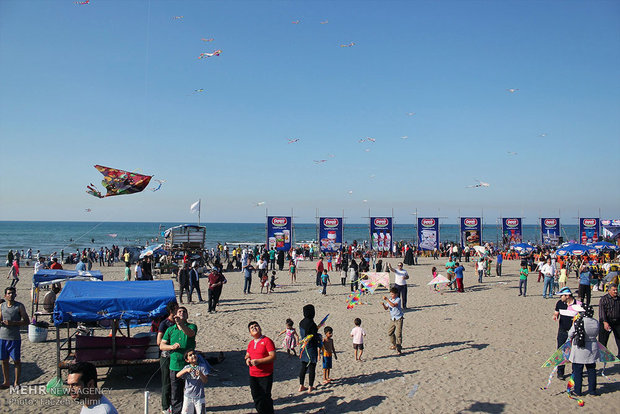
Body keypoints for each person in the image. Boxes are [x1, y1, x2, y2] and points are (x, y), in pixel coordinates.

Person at [160, 306, 197, 414]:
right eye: (179, 311)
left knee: (191, 391)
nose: (182, 313)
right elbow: (162, 345)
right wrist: (171, 347)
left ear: (187, 315)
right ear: (175, 314)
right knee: (176, 393)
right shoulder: (170, 329)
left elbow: (190, 334)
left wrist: (180, 324)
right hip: (175, 365)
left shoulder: (192, 326)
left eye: (184, 311)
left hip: (190, 366)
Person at [0, 287, 29, 388]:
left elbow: (27, 321)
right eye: (9, 293)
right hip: (2, 337)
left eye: (13, 293)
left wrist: (13, 323)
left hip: (14, 338)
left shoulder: (19, 306)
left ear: (15, 295)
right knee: (4, 360)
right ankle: (6, 381)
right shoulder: (2, 306)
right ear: (5, 295)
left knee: (16, 360)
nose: (11, 295)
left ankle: (16, 382)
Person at [568, 304, 600, 396]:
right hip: (592, 347)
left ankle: (578, 391)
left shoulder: (578, 321)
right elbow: (597, 333)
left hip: (580, 348)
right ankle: (592, 390)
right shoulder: (595, 322)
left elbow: (570, 334)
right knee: (591, 370)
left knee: (578, 371)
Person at [245, 321, 276, 414]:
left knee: (265, 397)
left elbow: (273, 356)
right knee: (256, 397)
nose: (254, 328)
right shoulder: (251, 343)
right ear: (250, 333)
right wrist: (247, 359)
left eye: (256, 326)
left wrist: (259, 361)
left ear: (260, 328)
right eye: (251, 327)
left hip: (265, 374)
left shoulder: (267, 341)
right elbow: (247, 354)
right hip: (253, 375)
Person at [552, 287, 579, 380]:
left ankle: (575, 372)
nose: (560, 297)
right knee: (561, 352)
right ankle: (560, 372)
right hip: (562, 331)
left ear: (567, 296)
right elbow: (556, 312)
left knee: (574, 353)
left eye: (561, 295)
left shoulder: (578, 305)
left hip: (574, 333)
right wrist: (555, 315)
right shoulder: (560, 303)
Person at [157, 301, 179, 414]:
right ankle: (165, 407)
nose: (179, 311)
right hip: (166, 356)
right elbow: (158, 341)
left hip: (177, 357)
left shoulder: (179, 323)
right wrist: (171, 346)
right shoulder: (164, 323)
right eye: (177, 308)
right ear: (172, 311)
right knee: (166, 382)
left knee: (176, 382)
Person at [176, 350, 208, 414]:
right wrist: (186, 370)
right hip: (188, 396)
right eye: (190, 355)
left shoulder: (202, 367)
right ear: (187, 360)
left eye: (194, 354)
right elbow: (177, 375)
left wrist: (200, 374)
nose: (193, 356)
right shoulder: (186, 367)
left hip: (199, 396)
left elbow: (205, 381)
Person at [299, 304, 319, 392]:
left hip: (303, 346)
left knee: (303, 366)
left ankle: (301, 385)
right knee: (312, 367)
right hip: (310, 347)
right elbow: (313, 337)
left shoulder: (301, 322)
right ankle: (310, 386)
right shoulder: (312, 324)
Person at [598, 283, 619, 358]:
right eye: (614, 290)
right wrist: (605, 322)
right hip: (606, 321)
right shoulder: (604, 299)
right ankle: (603, 356)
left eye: (616, 290)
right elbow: (601, 312)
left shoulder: (618, 299)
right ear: (609, 290)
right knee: (603, 340)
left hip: (617, 322)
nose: (616, 291)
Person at [382, 287, 404, 354]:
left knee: (398, 334)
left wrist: (387, 299)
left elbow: (394, 305)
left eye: (392, 294)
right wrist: (383, 305)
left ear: (396, 294)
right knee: (390, 332)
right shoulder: (390, 300)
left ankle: (399, 348)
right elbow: (386, 308)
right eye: (390, 294)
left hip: (399, 319)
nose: (391, 295)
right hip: (392, 319)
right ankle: (394, 344)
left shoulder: (398, 299)